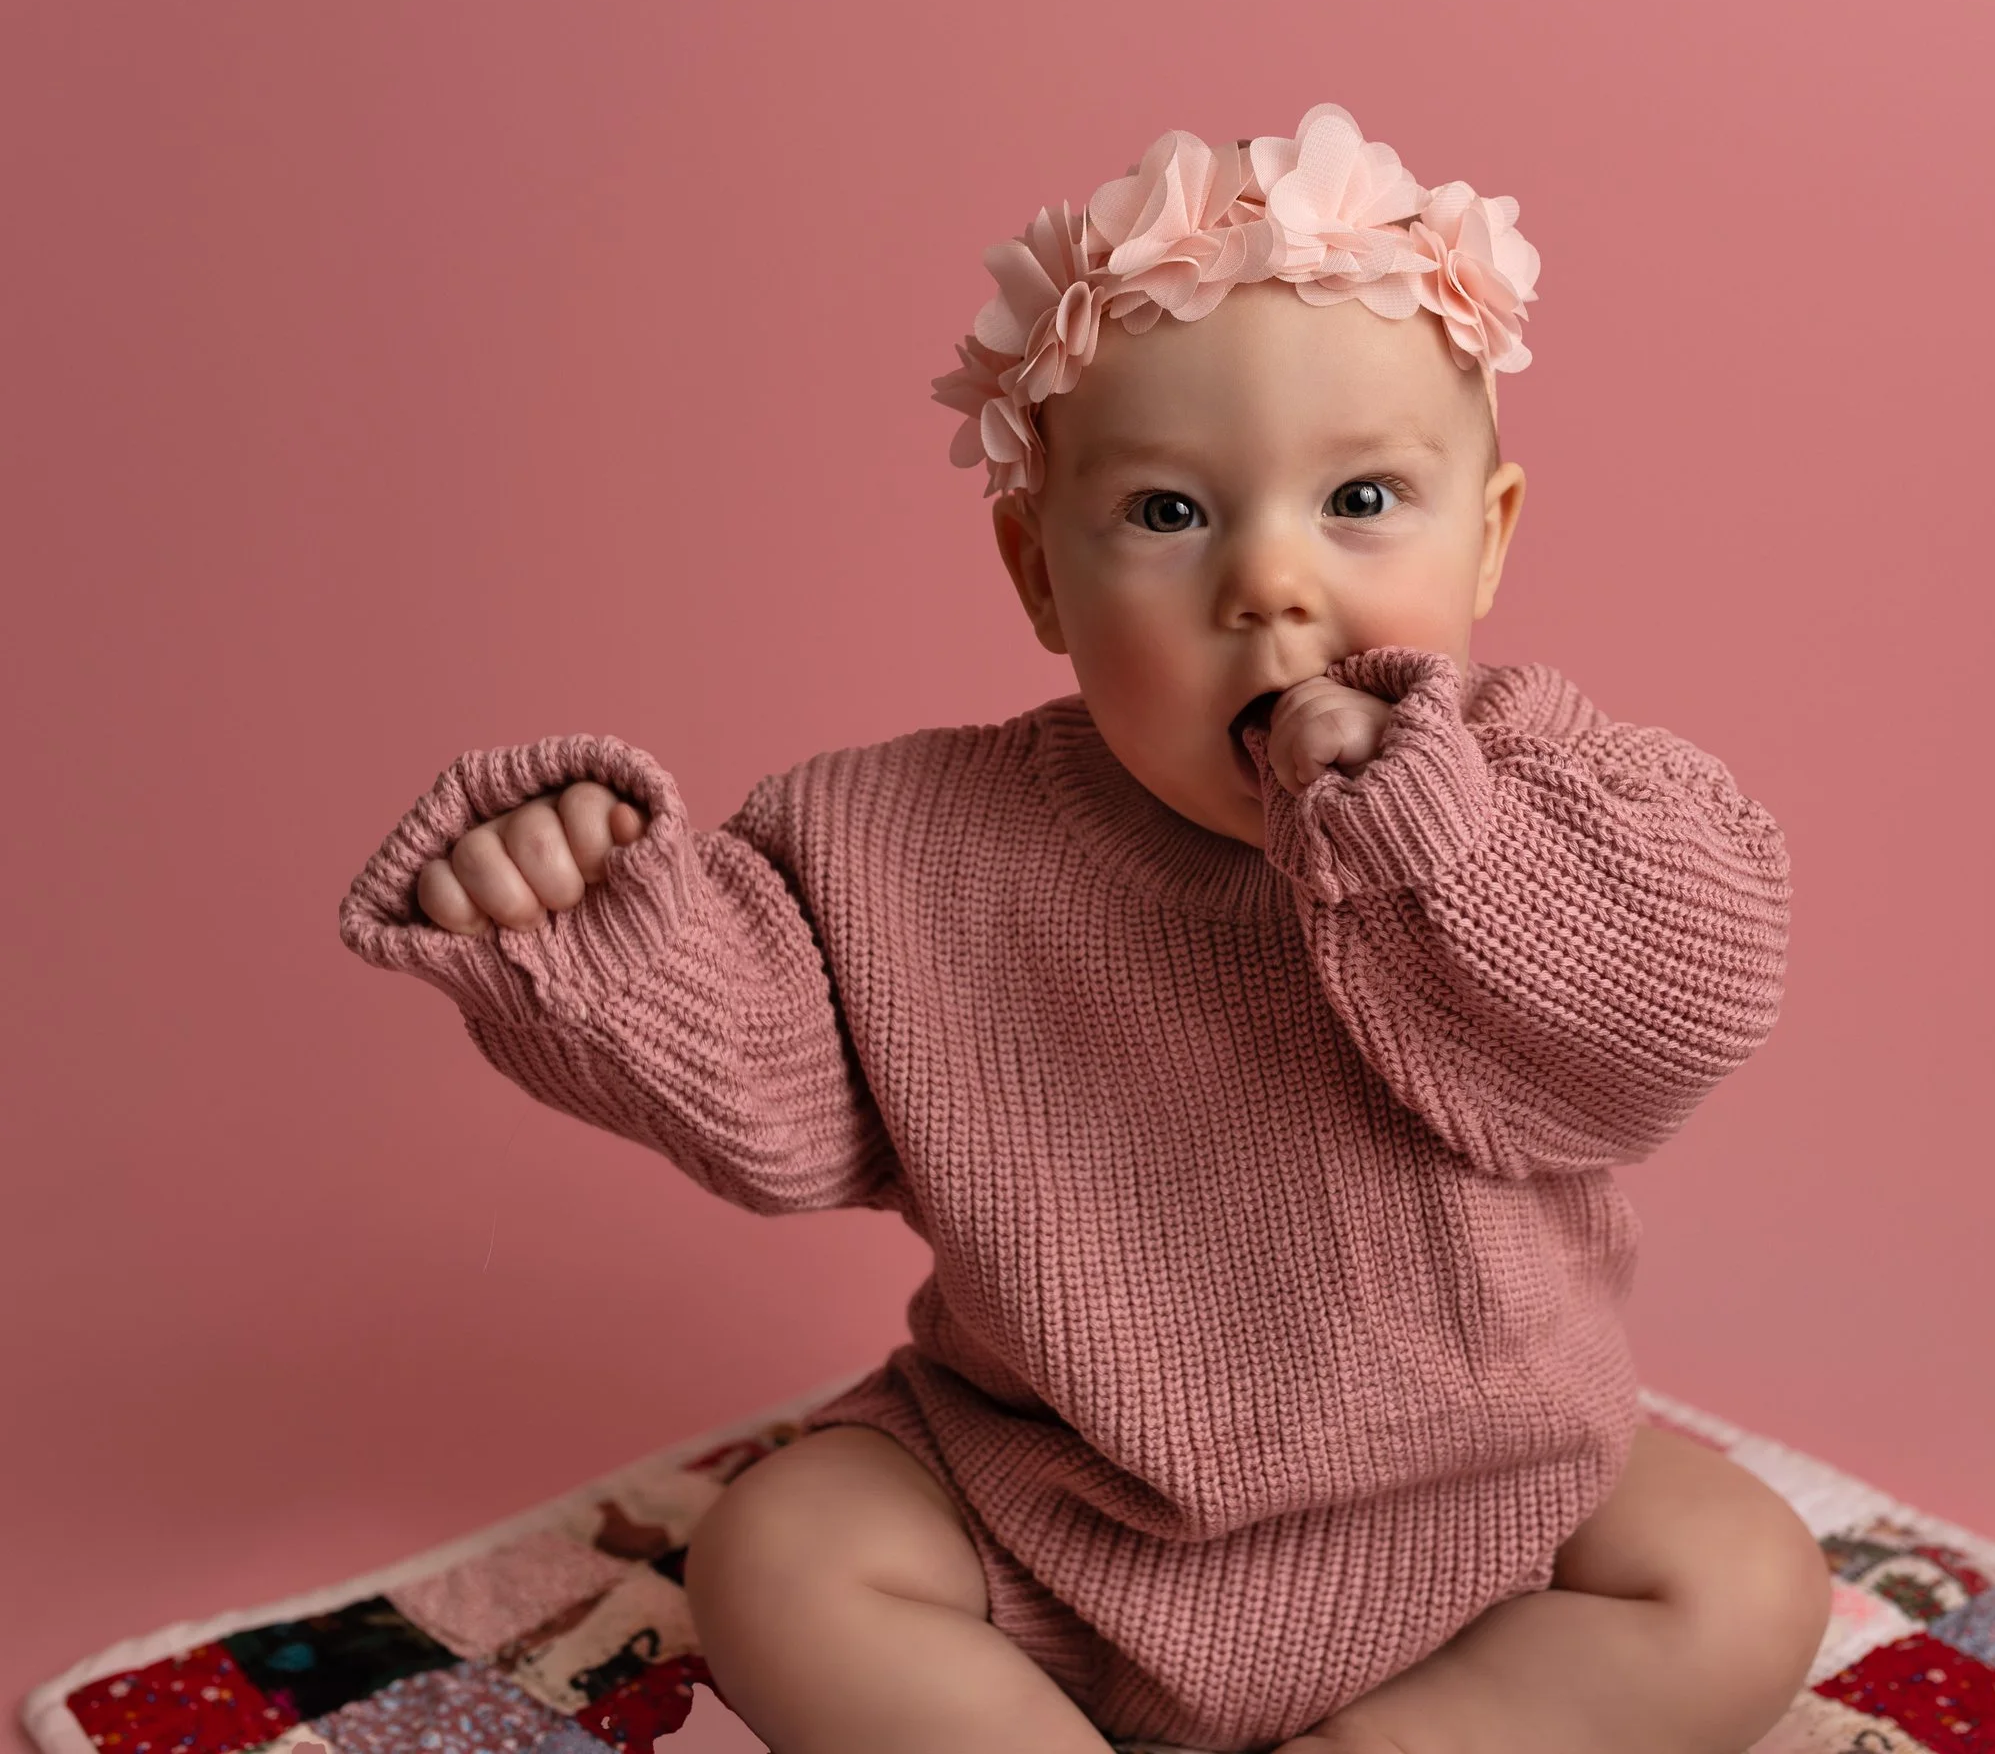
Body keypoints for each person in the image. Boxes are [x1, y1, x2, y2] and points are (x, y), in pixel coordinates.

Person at [339, 104, 1830, 1754]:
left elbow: (1659, 1025)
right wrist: (600, 920)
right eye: (1171, 516)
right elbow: (781, 1101)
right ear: (1038, 571)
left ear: (1485, 539)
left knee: (1740, 1576)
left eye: (1360, 499)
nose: (1269, 584)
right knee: (785, 1551)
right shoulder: (896, 841)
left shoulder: (1559, 797)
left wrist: (1418, 836)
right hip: (1043, 1496)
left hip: (1476, 1500)